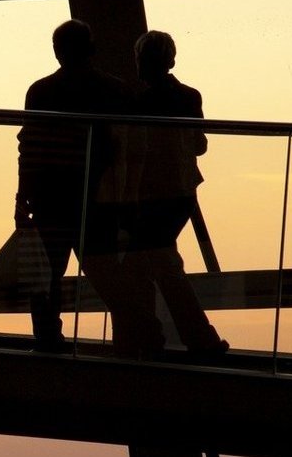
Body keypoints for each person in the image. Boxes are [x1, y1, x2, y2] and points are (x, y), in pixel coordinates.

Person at [14, 20, 158, 353]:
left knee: (46, 273)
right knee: (108, 272)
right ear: (92, 49)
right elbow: (129, 149)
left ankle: (48, 339)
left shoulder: (40, 91)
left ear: (57, 51)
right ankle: (139, 335)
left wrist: (24, 195)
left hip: (50, 195)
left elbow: (30, 146)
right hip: (100, 196)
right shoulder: (115, 90)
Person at [99, 30, 227, 354]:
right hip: (182, 193)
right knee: (156, 263)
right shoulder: (190, 97)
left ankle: (180, 338)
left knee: (155, 267)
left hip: (149, 196)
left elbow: (130, 153)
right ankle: (188, 338)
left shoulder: (138, 103)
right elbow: (200, 145)